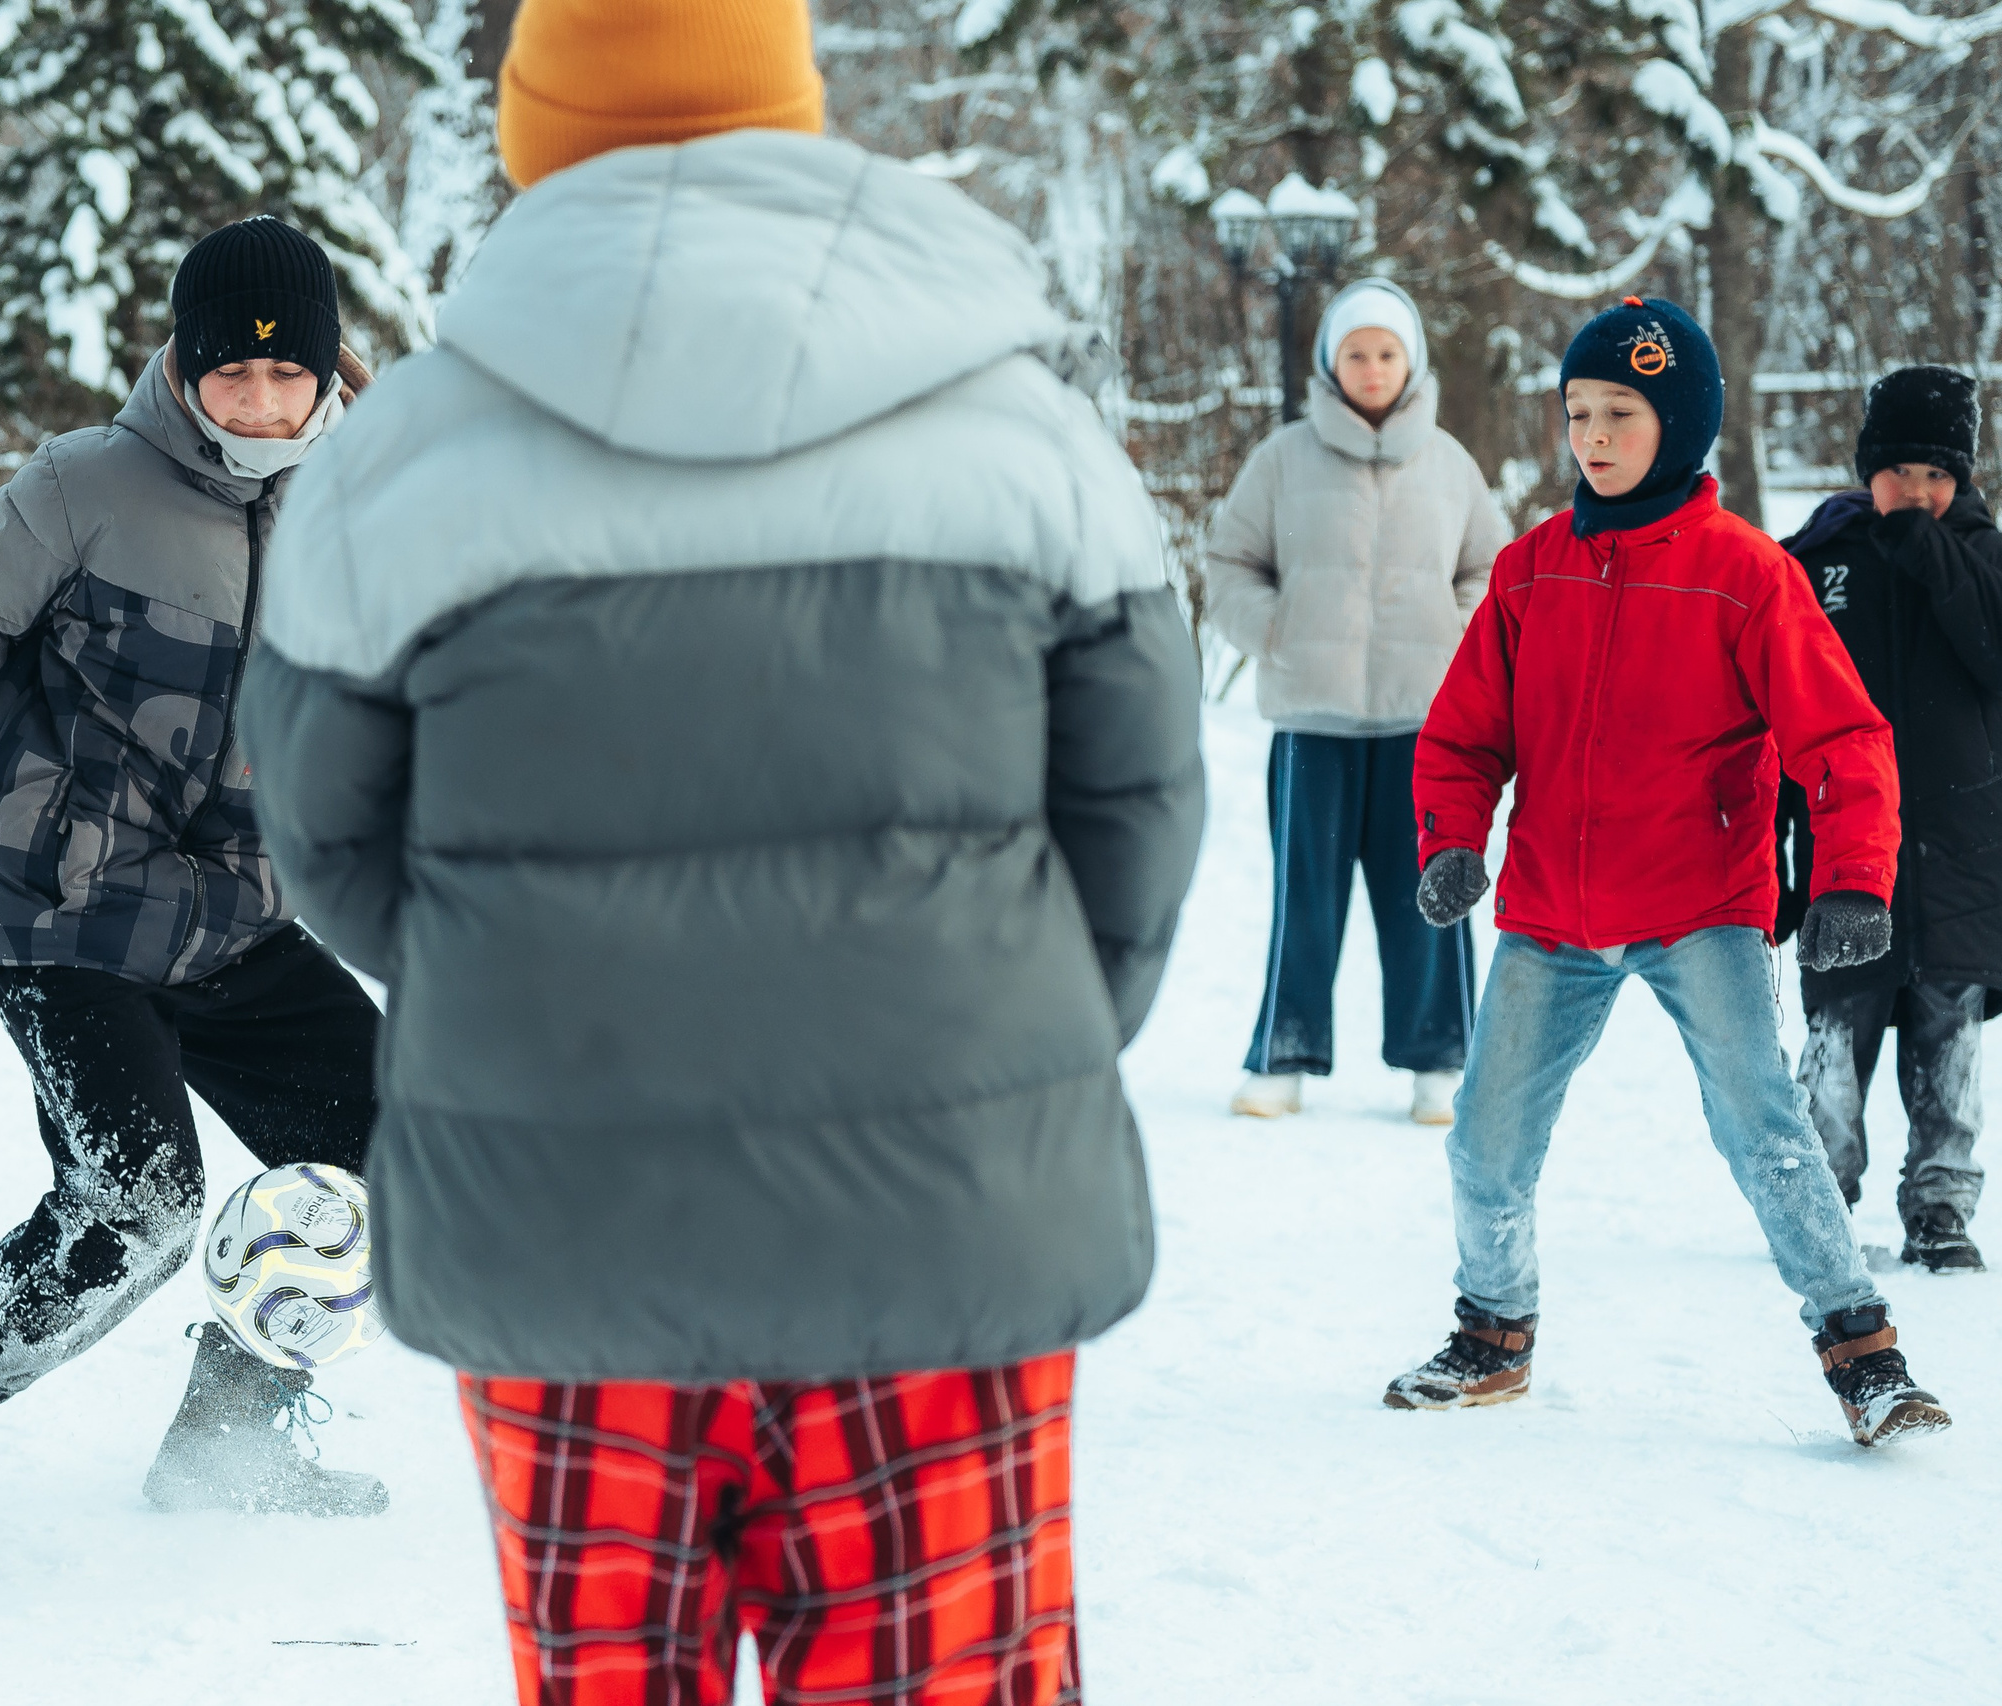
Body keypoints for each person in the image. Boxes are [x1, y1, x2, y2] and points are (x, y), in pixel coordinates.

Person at [241, 2, 1206, 1700]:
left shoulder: (391, 464)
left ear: (531, 136)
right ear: (794, 106)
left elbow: (333, 849)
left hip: (564, 1242)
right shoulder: (1023, 433)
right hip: (940, 1254)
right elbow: (1134, 819)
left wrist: (528, 985)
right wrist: (984, 1051)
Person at [0, 216, 387, 1580]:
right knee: (136, 1201)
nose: (255, 402)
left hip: (232, 913)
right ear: (183, 368)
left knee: (395, 1144)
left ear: (322, 377)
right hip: (65, 909)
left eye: (282, 377)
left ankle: (230, 1426)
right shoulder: (86, 484)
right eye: (227, 375)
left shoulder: (348, 515)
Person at [1390, 296, 1952, 1449]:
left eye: (1621, 412)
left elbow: (1842, 738)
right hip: (1551, 908)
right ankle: (1493, 1330)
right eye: (1577, 411)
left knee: (1765, 1129)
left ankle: (1865, 1353)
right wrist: (1451, 838)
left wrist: (1852, 877)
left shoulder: (1742, 573)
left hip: (1700, 905)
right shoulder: (1529, 570)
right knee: (1484, 1138)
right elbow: (1459, 736)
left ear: (1680, 421)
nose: (1591, 434)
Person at [1205, 279, 1509, 1126]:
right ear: (1331, 364)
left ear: (1409, 361)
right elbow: (1229, 563)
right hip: (1313, 724)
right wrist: (1276, 632)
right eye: (1355, 353)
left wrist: (1452, 637)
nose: (1372, 367)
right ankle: (1281, 1056)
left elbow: (1492, 572)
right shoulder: (1283, 458)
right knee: (1303, 898)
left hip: (1424, 728)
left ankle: (1441, 1063)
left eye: (1386, 352)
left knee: (1429, 896)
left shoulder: (1448, 462)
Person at [1779, 365, 1998, 1275]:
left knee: (1949, 1039)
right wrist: (1780, 856)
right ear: (1865, 468)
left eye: (1937, 477)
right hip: (1844, 850)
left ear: (1966, 481)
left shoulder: (1983, 557)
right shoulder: (1821, 559)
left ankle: (1942, 1206)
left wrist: (1930, 549)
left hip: (1959, 856)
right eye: (1898, 473)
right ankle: (1817, 1195)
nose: (1915, 493)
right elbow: (1777, 708)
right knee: (1837, 1032)